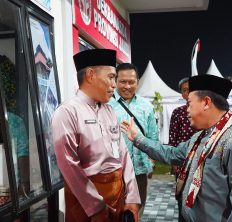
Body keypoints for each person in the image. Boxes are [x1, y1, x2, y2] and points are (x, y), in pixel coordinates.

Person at [121, 74, 232, 221]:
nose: (186, 110)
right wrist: (138, 138)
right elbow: (171, 154)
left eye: (189, 103)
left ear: (206, 102)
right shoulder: (199, 137)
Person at [51, 49, 140, 222]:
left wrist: (132, 197)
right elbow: (69, 166)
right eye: (111, 77)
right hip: (84, 199)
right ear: (91, 75)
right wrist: (95, 207)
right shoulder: (67, 112)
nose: (114, 85)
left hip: (118, 193)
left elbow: (123, 154)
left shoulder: (109, 111)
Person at [108, 62, 158, 218]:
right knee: (113, 212)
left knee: (137, 211)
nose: (127, 86)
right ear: (115, 81)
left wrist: (151, 162)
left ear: (137, 82)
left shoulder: (146, 106)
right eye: (123, 82)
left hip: (140, 171)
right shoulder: (106, 105)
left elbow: (153, 137)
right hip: (114, 171)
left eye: (131, 82)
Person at [168, 77, 197, 221]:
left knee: (199, 198)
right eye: (185, 90)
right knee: (182, 196)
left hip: (202, 161)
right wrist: (174, 162)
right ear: (182, 94)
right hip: (182, 161)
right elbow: (172, 138)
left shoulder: (205, 110)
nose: (188, 93)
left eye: (191, 89)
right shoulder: (178, 112)